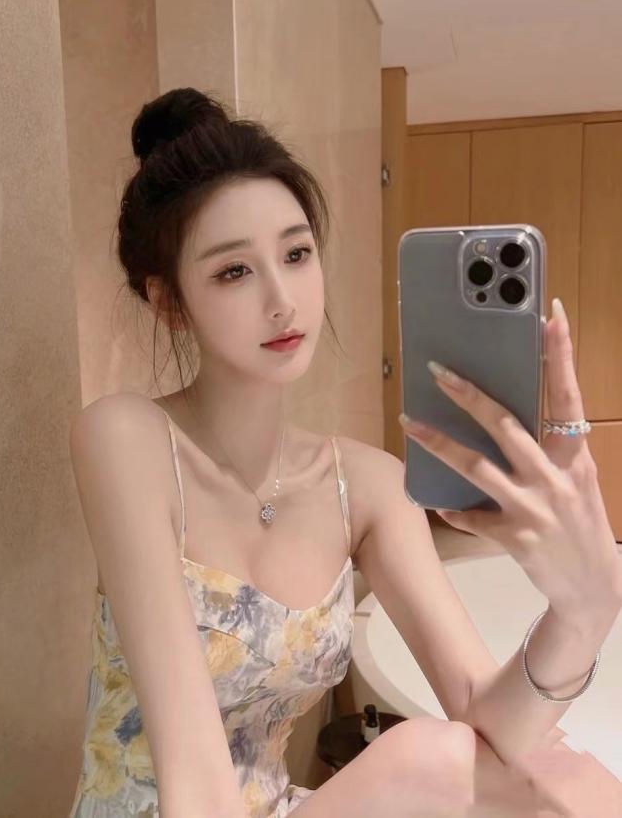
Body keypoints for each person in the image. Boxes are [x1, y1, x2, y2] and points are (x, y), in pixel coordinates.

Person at [66, 88, 622, 818]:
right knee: (429, 759)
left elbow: (491, 723)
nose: (282, 298)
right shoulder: (127, 439)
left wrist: (585, 610)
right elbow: (193, 780)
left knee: (566, 777)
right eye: (234, 271)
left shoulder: (363, 484)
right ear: (171, 302)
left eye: (296, 254)